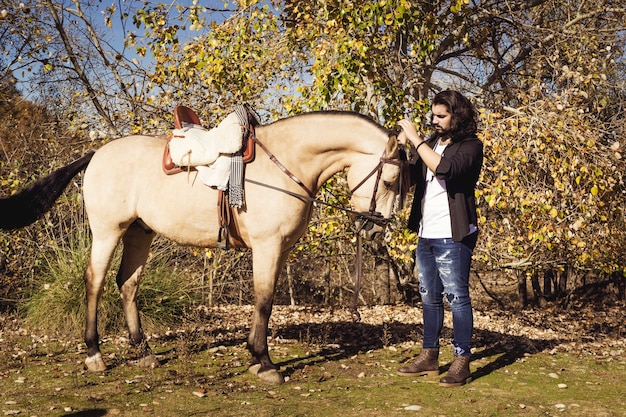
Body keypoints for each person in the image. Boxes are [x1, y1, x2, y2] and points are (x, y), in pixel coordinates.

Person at [396, 90, 483, 387]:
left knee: (457, 298)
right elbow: (413, 175)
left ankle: (461, 361)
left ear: (456, 116)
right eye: (433, 115)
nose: (434, 120)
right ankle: (429, 356)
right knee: (429, 297)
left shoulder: (471, 146)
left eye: (441, 116)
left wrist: (416, 139)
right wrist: (396, 154)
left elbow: (445, 170)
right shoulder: (431, 143)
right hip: (426, 233)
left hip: (453, 234)